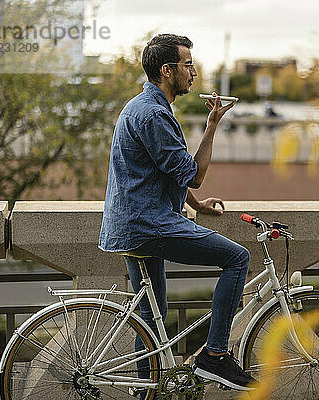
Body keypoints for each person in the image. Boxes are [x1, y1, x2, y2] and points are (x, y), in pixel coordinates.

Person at [98, 33, 256, 393]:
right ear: (167, 70)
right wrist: (213, 125)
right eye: (187, 64)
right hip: (148, 226)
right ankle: (215, 356)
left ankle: (146, 388)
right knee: (237, 259)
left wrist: (195, 206)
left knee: (151, 318)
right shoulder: (155, 114)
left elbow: (163, 172)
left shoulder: (140, 105)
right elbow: (195, 175)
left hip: (129, 224)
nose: (194, 72)